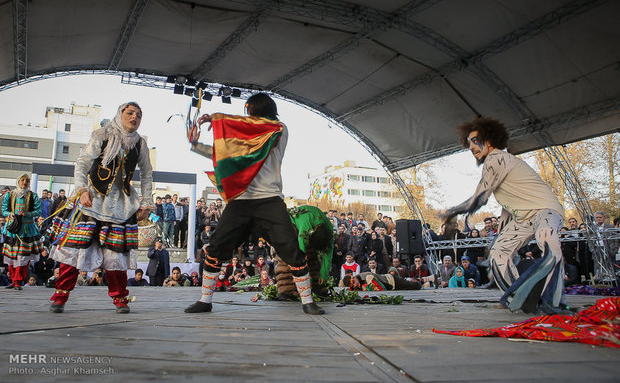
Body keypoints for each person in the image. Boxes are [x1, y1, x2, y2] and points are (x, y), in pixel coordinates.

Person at [183, 93, 324, 315]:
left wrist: (220, 119)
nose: (246, 113)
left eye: (248, 109)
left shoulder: (277, 129)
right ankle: (205, 300)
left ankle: (307, 301)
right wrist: (195, 144)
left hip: (269, 199)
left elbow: (253, 128)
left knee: (291, 248)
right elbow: (223, 156)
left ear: (255, 110)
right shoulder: (243, 137)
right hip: (241, 200)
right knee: (217, 246)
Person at [441, 116, 567, 314]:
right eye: (469, 143)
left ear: (490, 140)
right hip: (524, 218)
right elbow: (508, 205)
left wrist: (452, 211)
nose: (471, 147)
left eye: (475, 141)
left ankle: (552, 299)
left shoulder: (497, 158)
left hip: (546, 211)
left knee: (547, 239)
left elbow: (480, 197)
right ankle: (517, 295)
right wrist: (503, 232)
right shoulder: (499, 164)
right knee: (498, 253)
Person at [47, 102, 154, 313]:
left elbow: (147, 174)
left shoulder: (140, 144)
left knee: (116, 255)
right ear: (119, 113)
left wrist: (147, 202)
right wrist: (81, 190)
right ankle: (61, 295)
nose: (134, 117)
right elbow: (82, 163)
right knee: (76, 249)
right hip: (92, 201)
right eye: (130, 113)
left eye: (139, 115)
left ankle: (120, 298)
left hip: (121, 206)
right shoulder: (102, 135)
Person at [2, 174, 43, 290]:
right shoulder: (10, 195)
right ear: (18, 181)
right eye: (22, 180)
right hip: (13, 229)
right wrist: (9, 214)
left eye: (27, 180)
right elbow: (4, 209)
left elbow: (38, 210)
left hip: (26, 230)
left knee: (22, 257)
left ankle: (18, 281)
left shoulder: (32, 196)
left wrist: (28, 214)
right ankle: (13, 280)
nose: (24, 182)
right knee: (11, 256)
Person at [342, 270, 421, 291]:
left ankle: (418, 280)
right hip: (393, 288)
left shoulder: (367, 278)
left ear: (354, 277)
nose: (355, 285)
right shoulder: (357, 282)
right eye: (353, 286)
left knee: (416, 286)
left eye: (354, 283)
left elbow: (381, 289)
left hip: (393, 281)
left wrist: (367, 289)